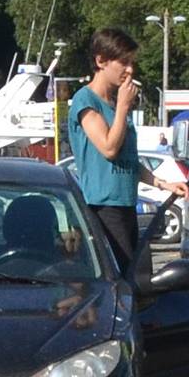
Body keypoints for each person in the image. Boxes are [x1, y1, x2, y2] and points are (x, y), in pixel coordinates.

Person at [67, 28, 155, 269]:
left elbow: (127, 161)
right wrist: (123, 108)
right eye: (124, 62)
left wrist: (162, 184)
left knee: (134, 274)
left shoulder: (114, 104)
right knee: (121, 278)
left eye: (132, 63)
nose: (130, 70)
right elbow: (108, 148)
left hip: (126, 202)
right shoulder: (85, 101)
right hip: (103, 206)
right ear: (100, 61)